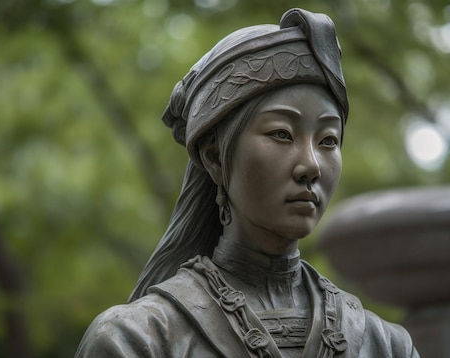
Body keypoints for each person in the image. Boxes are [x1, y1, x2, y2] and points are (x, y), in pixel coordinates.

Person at [76, 8, 419, 358]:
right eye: (282, 134)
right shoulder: (138, 339)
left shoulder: (387, 345)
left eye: (328, 141)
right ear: (214, 158)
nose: (311, 165)